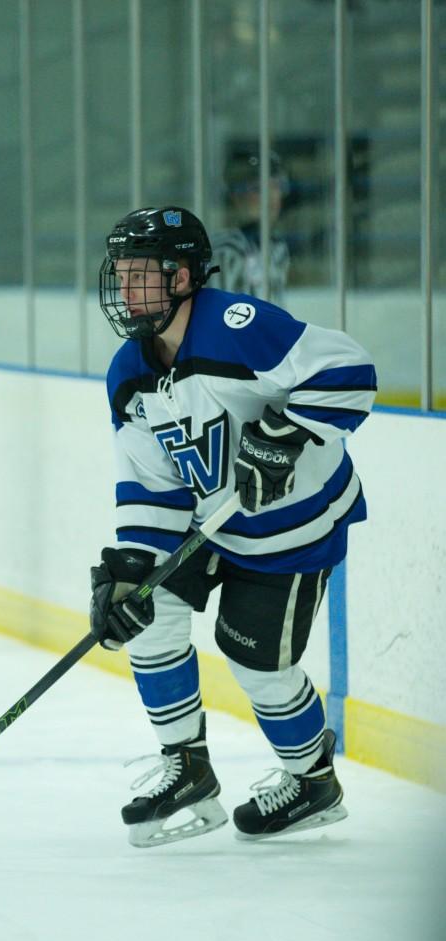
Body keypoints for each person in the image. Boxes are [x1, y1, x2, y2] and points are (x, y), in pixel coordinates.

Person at [91, 206, 376, 846]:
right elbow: (149, 482)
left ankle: (311, 782)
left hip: (294, 529)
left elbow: (349, 371)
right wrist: (132, 564)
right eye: (122, 275)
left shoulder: (238, 328)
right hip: (210, 521)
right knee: (145, 608)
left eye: (143, 276)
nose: (127, 291)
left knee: (256, 662)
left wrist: (280, 437)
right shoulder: (128, 373)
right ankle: (187, 766)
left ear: (186, 278)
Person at [210, 146, 290, 303]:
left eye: (276, 186)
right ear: (235, 196)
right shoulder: (225, 251)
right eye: (257, 188)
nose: (270, 196)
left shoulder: (278, 248)